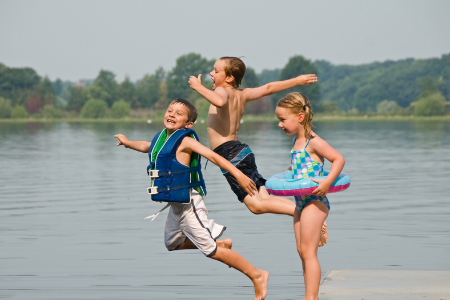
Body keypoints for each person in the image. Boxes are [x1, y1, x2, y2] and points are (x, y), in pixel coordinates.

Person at [114, 98, 268, 300]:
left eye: (179, 113)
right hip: (177, 205)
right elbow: (147, 146)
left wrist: (239, 174)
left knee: (210, 250)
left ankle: (257, 275)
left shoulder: (186, 140)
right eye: (170, 110)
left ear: (188, 124)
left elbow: (215, 157)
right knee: (172, 243)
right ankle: (221, 245)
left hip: (190, 202)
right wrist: (127, 143)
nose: (171, 114)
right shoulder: (162, 138)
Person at [189, 56, 328, 246]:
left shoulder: (223, 91)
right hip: (242, 151)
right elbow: (268, 88)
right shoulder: (242, 94)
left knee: (256, 206)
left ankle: (306, 212)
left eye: (215, 71)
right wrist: (297, 81)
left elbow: (220, 102)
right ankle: (305, 212)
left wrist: (198, 87)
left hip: (229, 154)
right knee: (264, 198)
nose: (211, 74)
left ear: (228, 78)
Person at [275, 92, 345, 300]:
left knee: (308, 253)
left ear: (299, 117)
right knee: (301, 250)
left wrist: (327, 182)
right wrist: (287, 174)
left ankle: (311, 297)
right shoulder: (297, 143)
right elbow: (301, 168)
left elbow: (338, 159)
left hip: (315, 201)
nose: (280, 124)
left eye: (282, 120)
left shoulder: (314, 142)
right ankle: (309, 293)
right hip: (300, 202)